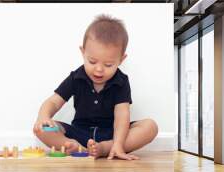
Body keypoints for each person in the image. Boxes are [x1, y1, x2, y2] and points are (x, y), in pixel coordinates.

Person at [33, 14, 158, 160]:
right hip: (79, 132)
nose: (99, 69)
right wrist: (43, 117)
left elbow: (121, 116)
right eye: (92, 61)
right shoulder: (76, 77)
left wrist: (118, 143)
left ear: (121, 59)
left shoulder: (121, 81)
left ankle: (107, 148)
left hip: (111, 133)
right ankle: (75, 146)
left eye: (108, 65)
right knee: (42, 129)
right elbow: (53, 102)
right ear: (83, 52)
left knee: (150, 126)